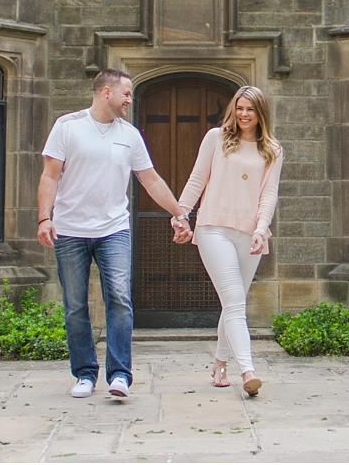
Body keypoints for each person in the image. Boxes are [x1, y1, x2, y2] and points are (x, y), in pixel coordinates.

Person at [37, 68, 191, 400]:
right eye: (126, 93)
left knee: (119, 299)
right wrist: (43, 219)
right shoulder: (67, 127)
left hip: (113, 230)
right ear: (106, 92)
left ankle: (120, 374)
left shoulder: (130, 135)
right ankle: (84, 373)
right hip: (70, 230)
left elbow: (150, 180)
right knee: (75, 305)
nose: (129, 100)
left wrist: (178, 213)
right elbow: (50, 176)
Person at [171, 85, 284, 397]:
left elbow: (268, 194)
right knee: (234, 301)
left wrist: (261, 229)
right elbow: (197, 179)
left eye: (250, 109)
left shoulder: (272, 149)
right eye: (240, 107)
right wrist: (181, 213)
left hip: (250, 234)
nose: (244, 114)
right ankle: (247, 370)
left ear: (261, 113)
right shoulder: (216, 138)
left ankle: (220, 361)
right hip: (213, 228)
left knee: (232, 303)